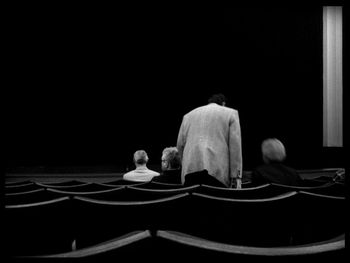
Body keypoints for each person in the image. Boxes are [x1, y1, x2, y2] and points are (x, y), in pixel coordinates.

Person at [176, 93, 243, 188]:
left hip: (189, 174)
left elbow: (179, 146)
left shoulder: (187, 116)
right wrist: (236, 177)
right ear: (223, 104)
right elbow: (235, 148)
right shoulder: (231, 113)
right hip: (217, 175)